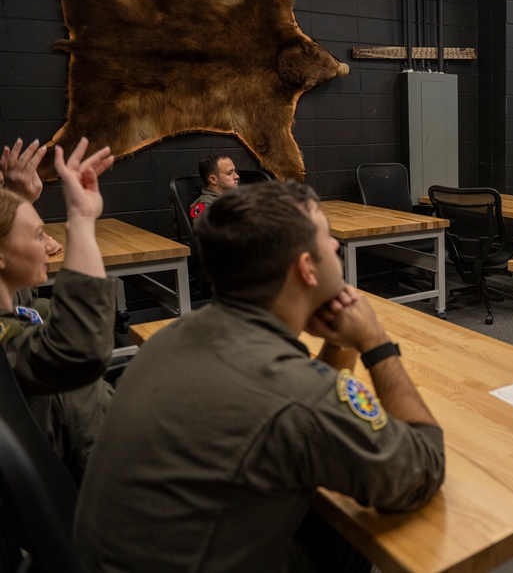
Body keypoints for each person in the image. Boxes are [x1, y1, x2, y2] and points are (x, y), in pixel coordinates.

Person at [75, 181, 446, 573]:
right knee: (356, 521)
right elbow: (423, 467)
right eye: (327, 239)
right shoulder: (297, 394)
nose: (336, 246)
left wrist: (344, 343)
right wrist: (375, 342)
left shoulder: (172, 337)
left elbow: (306, 408)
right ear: (306, 269)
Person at [0, 138, 117, 480]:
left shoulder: (16, 301)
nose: (50, 245)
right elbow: (79, 349)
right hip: (99, 474)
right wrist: (80, 219)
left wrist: (19, 201)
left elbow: (17, 296)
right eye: (39, 235)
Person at [188, 154, 240, 219]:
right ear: (213, 179)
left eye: (234, 171)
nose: (237, 176)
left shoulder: (231, 198)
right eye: (229, 173)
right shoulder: (207, 206)